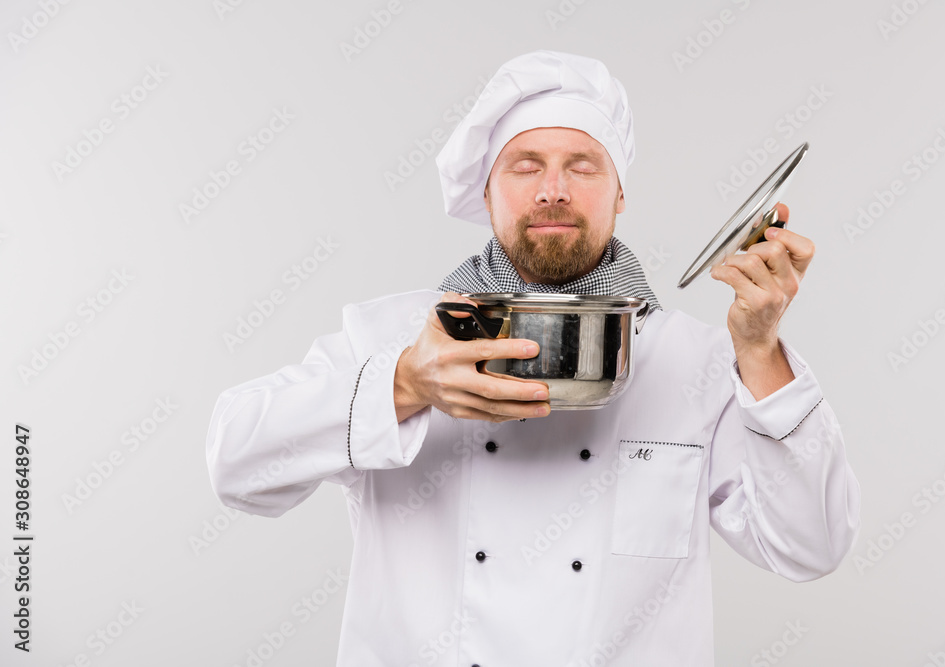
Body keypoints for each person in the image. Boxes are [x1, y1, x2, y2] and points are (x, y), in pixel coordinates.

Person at [206, 50, 860, 666]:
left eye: (583, 164)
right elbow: (235, 462)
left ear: (620, 193)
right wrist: (404, 383)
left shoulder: (700, 360)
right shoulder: (392, 335)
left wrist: (760, 347)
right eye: (525, 165)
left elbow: (812, 545)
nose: (554, 189)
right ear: (486, 193)